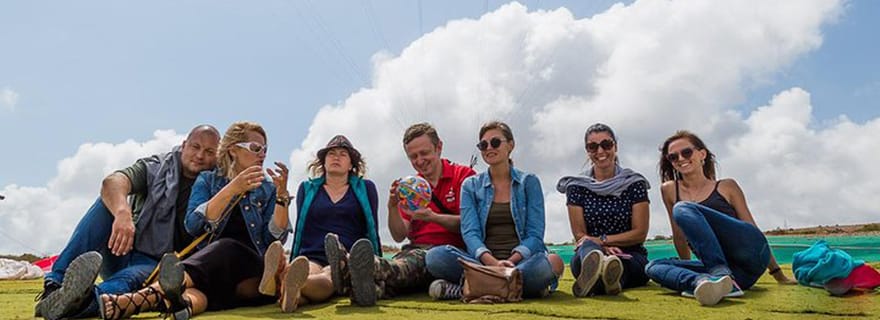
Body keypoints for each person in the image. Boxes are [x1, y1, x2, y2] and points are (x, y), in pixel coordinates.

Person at [97, 121, 293, 318]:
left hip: (252, 270)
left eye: (264, 149)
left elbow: (275, 237)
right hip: (213, 272)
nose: (262, 154)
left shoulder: (268, 188)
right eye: (255, 148)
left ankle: (136, 299)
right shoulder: (208, 180)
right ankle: (180, 308)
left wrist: (281, 199)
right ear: (233, 150)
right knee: (196, 292)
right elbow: (193, 224)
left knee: (227, 247)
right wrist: (233, 188)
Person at [34, 125, 220, 320]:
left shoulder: (216, 184)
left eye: (209, 152)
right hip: (123, 245)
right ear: (184, 145)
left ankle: (79, 302)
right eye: (195, 147)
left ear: (217, 155)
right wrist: (123, 213)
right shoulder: (157, 166)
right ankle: (54, 286)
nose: (200, 155)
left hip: (158, 264)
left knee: (129, 278)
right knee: (107, 203)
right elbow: (112, 182)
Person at [326, 123, 476, 301]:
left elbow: (472, 226)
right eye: (413, 157)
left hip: (447, 253)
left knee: (410, 265)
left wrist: (433, 218)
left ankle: (349, 265)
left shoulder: (464, 176)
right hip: (413, 251)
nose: (419, 161)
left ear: (439, 147)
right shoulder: (411, 187)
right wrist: (392, 207)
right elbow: (399, 235)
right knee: (396, 277)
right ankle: (362, 290)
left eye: (424, 153)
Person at [645, 130, 796, 306]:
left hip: (750, 259)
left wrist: (778, 274)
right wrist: (686, 266)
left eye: (686, 152)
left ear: (702, 154)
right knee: (652, 267)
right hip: (740, 279)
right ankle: (703, 282)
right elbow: (679, 235)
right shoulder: (669, 190)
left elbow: (752, 230)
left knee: (683, 209)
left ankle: (718, 275)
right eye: (673, 157)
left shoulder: (727, 186)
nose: (680, 158)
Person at [425, 121, 564, 300]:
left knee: (553, 262)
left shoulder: (529, 182)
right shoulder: (471, 186)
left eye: (495, 142)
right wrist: (493, 264)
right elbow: (470, 233)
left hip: (520, 263)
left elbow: (535, 234)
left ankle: (471, 288)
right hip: (482, 263)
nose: (489, 148)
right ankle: (513, 287)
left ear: (511, 145)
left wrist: (510, 263)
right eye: (483, 145)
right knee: (435, 257)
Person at [270, 134, 382, 310]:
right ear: (323, 161)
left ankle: (289, 284)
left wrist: (375, 262)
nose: (336, 157)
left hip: (344, 256)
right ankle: (293, 287)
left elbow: (372, 227)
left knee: (328, 276)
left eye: (343, 154)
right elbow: (301, 227)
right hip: (311, 254)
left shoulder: (366, 188)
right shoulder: (306, 189)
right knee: (305, 269)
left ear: (351, 164)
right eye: (331, 153)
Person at [556, 123, 650, 297]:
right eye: (593, 146)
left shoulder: (634, 183)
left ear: (615, 146)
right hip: (588, 253)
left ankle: (602, 280)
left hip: (629, 254)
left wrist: (602, 240)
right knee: (587, 250)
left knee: (620, 265)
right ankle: (604, 277)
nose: (600, 151)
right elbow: (580, 235)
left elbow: (640, 233)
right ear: (587, 151)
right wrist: (602, 249)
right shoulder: (576, 186)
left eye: (606, 144)